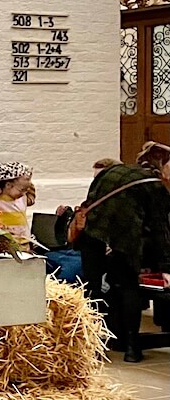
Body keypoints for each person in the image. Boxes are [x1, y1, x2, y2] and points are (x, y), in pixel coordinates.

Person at [76, 144, 170, 363]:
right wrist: (166, 268)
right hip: (125, 240)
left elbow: (90, 198)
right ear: (162, 164)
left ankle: (90, 347)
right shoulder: (154, 186)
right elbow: (160, 230)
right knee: (129, 289)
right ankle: (131, 348)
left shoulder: (112, 171)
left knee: (92, 289)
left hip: (92, 234)